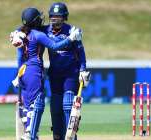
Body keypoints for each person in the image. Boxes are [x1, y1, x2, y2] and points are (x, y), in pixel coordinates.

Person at [9, 7, 82, 140]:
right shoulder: (38, 35)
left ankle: (28, 133)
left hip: (23, 71)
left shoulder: (22, 35)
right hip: (34, 71)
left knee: (27, 104)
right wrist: (70, 38)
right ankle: (31, 135)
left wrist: (18, 74)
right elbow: (54, 46)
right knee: (37, 103)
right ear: (35, 21)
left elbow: (20, 57)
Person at [44, 2, 91, 140]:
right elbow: (29, 28)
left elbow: (81, 52)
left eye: (58, 16)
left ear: (64, 17)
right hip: (54, 74)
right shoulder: (45, 30)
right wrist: (18, 31)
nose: (54, 19)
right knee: (55, 107)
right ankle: (57, 135)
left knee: (68, 104)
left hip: (70, 74)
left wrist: (83, 69)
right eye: (52, 16)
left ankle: (70, 136)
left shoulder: (72, 31)